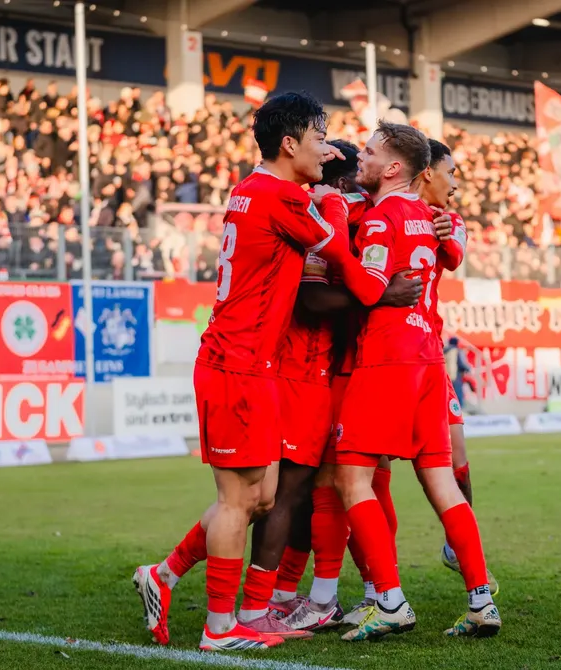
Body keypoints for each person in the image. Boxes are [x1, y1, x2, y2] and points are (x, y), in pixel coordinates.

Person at [132, 92, 387, 653]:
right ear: (289, 144)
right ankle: (220, 628)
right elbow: (338, 253)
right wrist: (335, 202)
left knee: (264, 497)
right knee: (239, 501)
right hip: (236, 363)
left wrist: (319, 188)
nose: (326, 150)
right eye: (319, 139)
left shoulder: (258, 189)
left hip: (253, 365)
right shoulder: (279, 196)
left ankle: (164, 575)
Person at [333, 122, 501, 641]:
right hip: (429, 360)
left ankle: (388, 601)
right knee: (441, 481)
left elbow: (370, 288)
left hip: (387, 359)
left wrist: (333, 244)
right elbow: (452, 252)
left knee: (352, 479)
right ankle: (481, 601)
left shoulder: (381, 219)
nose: (359, 158)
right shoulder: (432, 218)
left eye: (368, 151)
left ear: (393, 168)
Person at [269, 141, 421, 629]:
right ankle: (362, 593)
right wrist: (380, 297)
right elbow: (313, 298)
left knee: (333, 484)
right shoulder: (345, 215)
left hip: (354, 366)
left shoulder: (365, 216)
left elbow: (319, 296)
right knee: (340, 484)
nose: (360, 175)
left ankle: (336, 597)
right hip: (355, 363)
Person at [412, 139, 499, 596]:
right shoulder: (382, 209)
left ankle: (457, 547)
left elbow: (455, 255)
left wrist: (444, 233)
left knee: (456, 454)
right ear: (426, 171)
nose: (456, 184)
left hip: (426, 354)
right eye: (451, 172)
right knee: (362, 474)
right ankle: (370, 590)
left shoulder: (450, 220)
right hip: (380, 357)